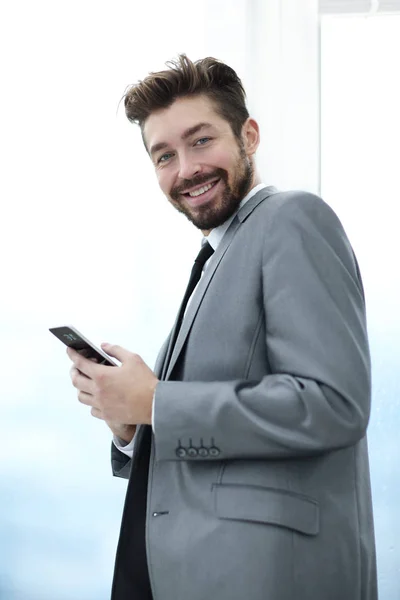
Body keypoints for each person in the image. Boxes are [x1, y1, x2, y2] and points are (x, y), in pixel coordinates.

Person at [67, 54, 378, 600]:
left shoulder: (293, 218)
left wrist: (157, 403)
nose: (185, 168)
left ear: (249, 136)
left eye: (201, 140)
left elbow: (333, 404)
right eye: (165, 155)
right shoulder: (219, 255)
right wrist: (132, 424)